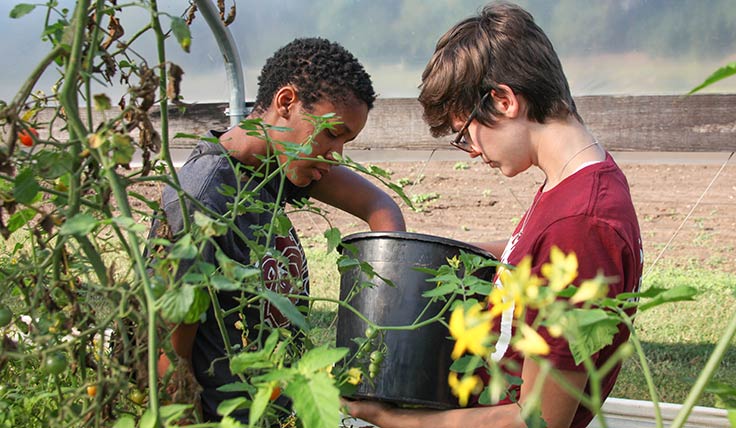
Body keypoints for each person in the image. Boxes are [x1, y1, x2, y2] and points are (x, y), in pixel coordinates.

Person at [344, 2, 643, 428]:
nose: (474, 152)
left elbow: (537, 420)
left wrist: (396, 420)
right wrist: (433, 255)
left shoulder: (582, 223)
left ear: (503, 101)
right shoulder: (573, 185)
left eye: (466, 134)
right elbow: (534, 256)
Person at [148, 37, 406, 422]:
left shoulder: (274, 167)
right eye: (331, 134)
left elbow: (381, 208)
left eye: (346, 141)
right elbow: (168, 359)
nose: (336, 155)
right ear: (286, 103)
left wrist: (381, 332)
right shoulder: (203, 199)